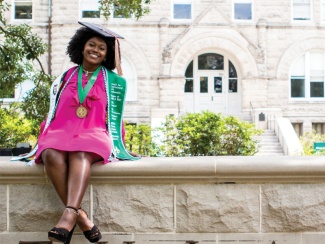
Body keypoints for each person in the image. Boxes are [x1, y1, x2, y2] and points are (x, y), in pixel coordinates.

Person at [12, 21, 140, 243]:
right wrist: (46, 134)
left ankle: (68, 216)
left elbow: (115, 115)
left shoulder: (113, 81)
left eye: (102, 48)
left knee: (80, 153)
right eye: (92, 44)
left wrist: (120, 143)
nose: (96, 50)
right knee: (50, 152)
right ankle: (80, 217)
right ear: (81, 47)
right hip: (63, 131)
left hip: (95, 133)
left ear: (107, 54)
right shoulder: (65, 78)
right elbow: (54, 112)